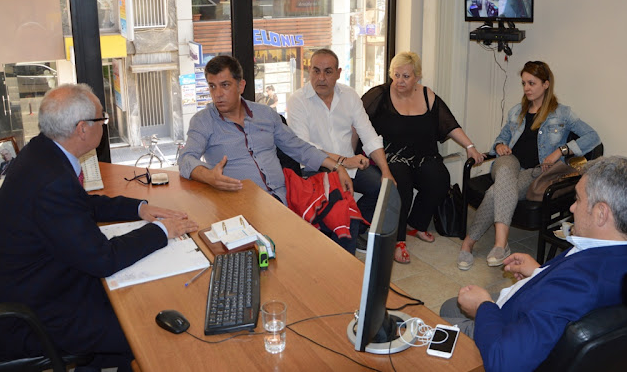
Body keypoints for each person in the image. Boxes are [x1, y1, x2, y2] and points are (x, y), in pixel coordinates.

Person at [0, 84, 199, 371]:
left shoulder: (40, 152)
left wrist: (139, 209)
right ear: (82, 129)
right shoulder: (52, 181)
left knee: (132, 302)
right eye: (102, 119)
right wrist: (163, 230)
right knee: (146, 330)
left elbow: (79, 205)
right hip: (34, 315)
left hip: (38, 285)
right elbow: (104, 259)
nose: (105, 125)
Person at [440, 156, 627, 371]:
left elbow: (505, 362)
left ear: (601, 213)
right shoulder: (612, 252)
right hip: (531, 309)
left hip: (507, 333)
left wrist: (483, 307)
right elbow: (567, 292)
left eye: (578, 199)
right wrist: (539, 272)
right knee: (450, 306)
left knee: (440, 325)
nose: (572, 207)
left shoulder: (579, 283)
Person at [457, 61, 600, 270]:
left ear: (546, 84)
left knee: (496, 192)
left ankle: (468, 243)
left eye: (532, 83)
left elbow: (592, 137)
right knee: (504, 170)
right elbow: (501, 138)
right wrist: (500, 145)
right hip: (508, 161)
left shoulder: (562, 114)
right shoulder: (517, 111)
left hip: (535, 172)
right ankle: (500, 244)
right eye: (524, 83)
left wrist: (561, 151)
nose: (526, 88)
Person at [178, 55, 352, 207]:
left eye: (225, 85)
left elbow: (298, 147)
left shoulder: (265, 114)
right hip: (242, 206)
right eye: (212, 86)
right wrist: (209, 176)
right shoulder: (203, 121)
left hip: (286, 200)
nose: (217, 94)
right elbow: (186, 158)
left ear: (241, 86)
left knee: (342, 209)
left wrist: (337, 167)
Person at [361, 51, 484, 263]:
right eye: (396, 75)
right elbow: (358, 121)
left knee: (440, 179)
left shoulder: (427, 95)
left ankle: (415, 224)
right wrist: (351, 152)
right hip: (392, 156)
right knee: (402, 185)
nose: (400, 80)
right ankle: (397, 239)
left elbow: (449, 124)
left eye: (406, 76)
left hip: (423, 155)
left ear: (417, 76)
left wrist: (470, 146)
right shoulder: (379, 95)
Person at [287, 48, 395, 249]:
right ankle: (337, 239)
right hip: (315, 169)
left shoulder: (349, 95)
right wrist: (344, 161)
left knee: (382, 188)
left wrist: (386, 171)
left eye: (328, 71)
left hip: (350, 166)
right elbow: (305, 148)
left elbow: (369, 135)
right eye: (316, 71)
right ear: (309, 71)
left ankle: (356, 229)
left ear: (338, 73)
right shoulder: (297, 100)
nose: (321, 78)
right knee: (340, 200)